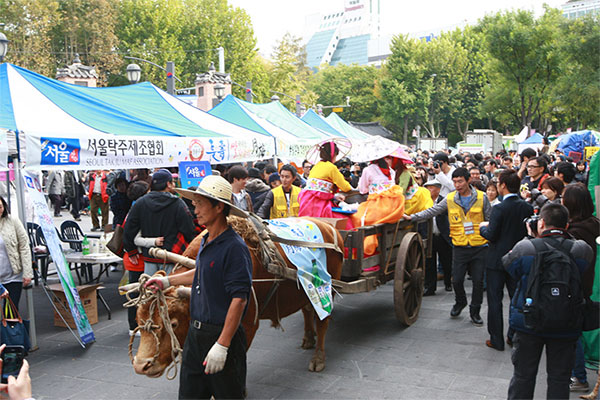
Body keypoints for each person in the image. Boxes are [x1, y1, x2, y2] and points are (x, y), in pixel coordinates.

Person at [146, 175, 252, 399]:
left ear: (219, 207)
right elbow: (203, 271)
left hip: (222, 334)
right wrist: (167, 281)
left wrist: (222, 345)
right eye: (195, 203)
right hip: (196, 334)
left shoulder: (235, 247)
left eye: (200, 203)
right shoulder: (206, 239)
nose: (195, 209)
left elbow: (239, 299)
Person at [502, 203, 593, 400]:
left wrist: (531, 237)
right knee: (559, 379)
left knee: (523, 377)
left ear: (541, 222)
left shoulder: (526, 247)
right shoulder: (580, 249)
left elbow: (509, 266)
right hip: (566, 322)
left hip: (529, 320)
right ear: (567, 225)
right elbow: (584, 268)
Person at [406, 168, 491, 325]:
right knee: (457, 280)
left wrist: (489, 237)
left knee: (478, 281)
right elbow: (432, 211)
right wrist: (412, 217)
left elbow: (490, 219)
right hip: (459, 245)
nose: (457, 185)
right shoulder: (450, 198)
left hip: (479, 246)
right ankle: (460, 301)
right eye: (455, 182)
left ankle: (475, 310)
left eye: (460, 181)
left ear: (468, 181)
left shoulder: (482, 197)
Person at [479, 169, 533, 351]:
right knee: (516, 298)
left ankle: (496, 339)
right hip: (518, 258)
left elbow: (491, 235)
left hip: (497, 260)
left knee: (495, 300)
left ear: (502, 185)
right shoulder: (526, 207)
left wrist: (482, 228)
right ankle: (513, 334)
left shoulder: (499, 208)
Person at [123, 169, 197, 276]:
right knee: (169, 289)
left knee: (149, 288)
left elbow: (129, 227)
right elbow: (188, 229)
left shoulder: (140, 202)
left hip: (149, 256)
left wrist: (131, 250)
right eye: (172, 182)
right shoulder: (177, 203)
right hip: (170, 256)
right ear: (168, 184)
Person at [562, 183, 599, 392]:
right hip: (586, 285)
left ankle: (579, 377)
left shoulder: (576, 232)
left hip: (575, 287)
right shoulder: (593, 224)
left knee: (572, 333)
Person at [351, 157, 404, 258]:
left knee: (356, 218)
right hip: (394, 207)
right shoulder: (391, 171)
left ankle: (365, 252)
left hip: (379, 206)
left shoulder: (368, 170)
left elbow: (362, 190)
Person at [298, 141, 354, 228]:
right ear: (333, 154)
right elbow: (346, 187)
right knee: (346, 222)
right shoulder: (331, 167)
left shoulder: (316, 166)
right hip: (320, 203)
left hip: (306, 202)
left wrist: (334, 196)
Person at [0, 197, 32, 312]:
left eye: (0, 207)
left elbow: (24, 246)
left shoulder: (12, 221)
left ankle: (12, 329)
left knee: (11, 313)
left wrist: (27, 272)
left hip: (13, 276)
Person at [422, 179, 452, 295]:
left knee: (446, 261)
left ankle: (448, 282)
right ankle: (430, 287)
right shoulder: (424, 201)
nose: (429, 190)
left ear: (438, 189)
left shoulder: (444, 201)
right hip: (429, 235)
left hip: (443, 235)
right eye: (427, 188)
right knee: (429, 262)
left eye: (431, 187)